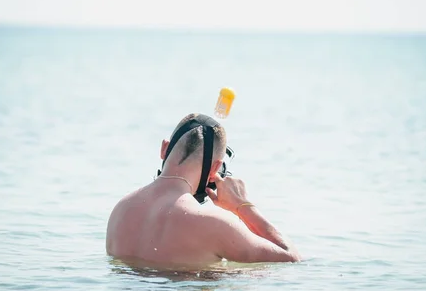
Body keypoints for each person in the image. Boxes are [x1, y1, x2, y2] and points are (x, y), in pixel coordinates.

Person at [106, 113, 301, 268]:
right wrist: (242, 206)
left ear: (164, 149)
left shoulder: (120, 210)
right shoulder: (212, 224)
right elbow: (291, 258)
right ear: (216, 169)